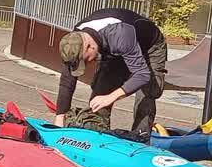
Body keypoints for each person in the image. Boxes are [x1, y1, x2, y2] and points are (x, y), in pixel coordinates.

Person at [54, 7, 167, 137]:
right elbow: (67, 82)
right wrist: (60, 116)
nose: (86, 64)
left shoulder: (119, 34)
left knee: (146, 94)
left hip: (149, 47)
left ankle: (140, 139)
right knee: (100, 94)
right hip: (115, 49)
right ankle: (96, 137)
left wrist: (111, 97)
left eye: (86, 60)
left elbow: (142, 75)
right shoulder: (74, 40)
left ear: (90, 46)